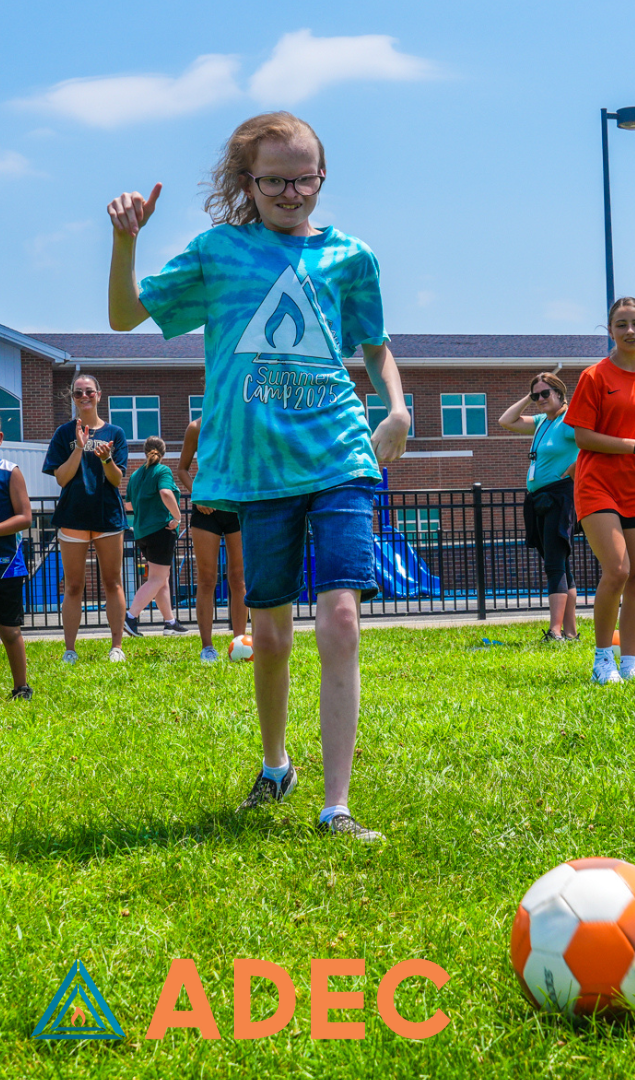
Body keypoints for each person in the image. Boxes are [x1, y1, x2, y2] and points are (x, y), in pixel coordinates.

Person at [107, 111, 411, 840]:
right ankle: (276, 767)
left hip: (338, 454)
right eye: (274, 181)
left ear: (322, 176)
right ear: (248, 182)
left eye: (303, 179)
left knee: (341, 618)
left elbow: (375, 345)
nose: (290, 193)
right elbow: (123, 318)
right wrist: (126, 243)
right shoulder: (219, 252)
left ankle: (337, 805)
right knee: (269, 637)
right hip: (259, 470)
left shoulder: (351, 257)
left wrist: (398, 407)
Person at [563, 298, 635, 685]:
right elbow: (582, 436)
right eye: (622, 324)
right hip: (597, 484)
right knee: (618, 570)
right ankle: (602, 661)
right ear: (610, 331)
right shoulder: (594, 377)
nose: (630, 331)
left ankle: (630, 664)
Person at [43, 373, 129, 664]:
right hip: (73, 516)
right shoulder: (63, 433)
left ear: (99, 395)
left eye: (89, 392)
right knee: (73, 586)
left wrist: (106, 458)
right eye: (78, 393)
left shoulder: (115, 432)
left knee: (113, 582)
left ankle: (117, 647)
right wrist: (79, 447)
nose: (84, 397)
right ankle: (70, 650)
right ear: (73, 398)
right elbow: (61, 478)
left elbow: (116, 480)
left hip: (108, 515)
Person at [498, 372, 579, 642]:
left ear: (560, 393)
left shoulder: (569, 421)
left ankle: (555, 631)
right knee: (561, 566)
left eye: (546, 393)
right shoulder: (542, 421)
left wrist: (576, 467)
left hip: (560, 497)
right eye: (536, 395)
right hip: (539, 499)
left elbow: (594, 444)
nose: (540, 399)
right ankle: (570, 632)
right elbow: (505, 421)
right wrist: (529, 397)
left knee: (555, 564)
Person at [178, 417, 247, 662]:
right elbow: (182, 469)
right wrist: (198, 494)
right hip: (206, 511)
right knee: (207, 579)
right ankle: (207, 647)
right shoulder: (196, 427)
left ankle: (240, 643)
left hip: (237, 508)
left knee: (238, 578)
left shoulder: (241, 419)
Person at [123, 436, 188, 638]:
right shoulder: (162, 470)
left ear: (145, 451)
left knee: (161, 579)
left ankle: (170, 623)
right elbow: (166, 493)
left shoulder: (135, 475)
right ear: (163, 452)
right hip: (160, 530)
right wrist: (177, 517)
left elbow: (128, 506)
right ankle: (130, 617)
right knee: (158, 578)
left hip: (142, 532)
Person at [0, 429, 32, 699]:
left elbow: (24, 517)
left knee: (9, 630)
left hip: (6, 564)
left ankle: (21, 688)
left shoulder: (10, 472)